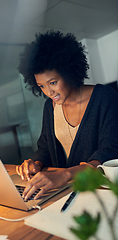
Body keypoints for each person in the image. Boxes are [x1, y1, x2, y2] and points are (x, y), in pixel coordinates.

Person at [17, 30, 118, 201]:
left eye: (53, 82)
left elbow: (109, 154)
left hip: (98, 193)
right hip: (61, 193)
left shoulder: (105, 97)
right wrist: (36, 164)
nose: (49, 92)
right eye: (41, 86)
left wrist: (65, 175)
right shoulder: (50, 107)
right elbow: (45, 148)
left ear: (69, 72)